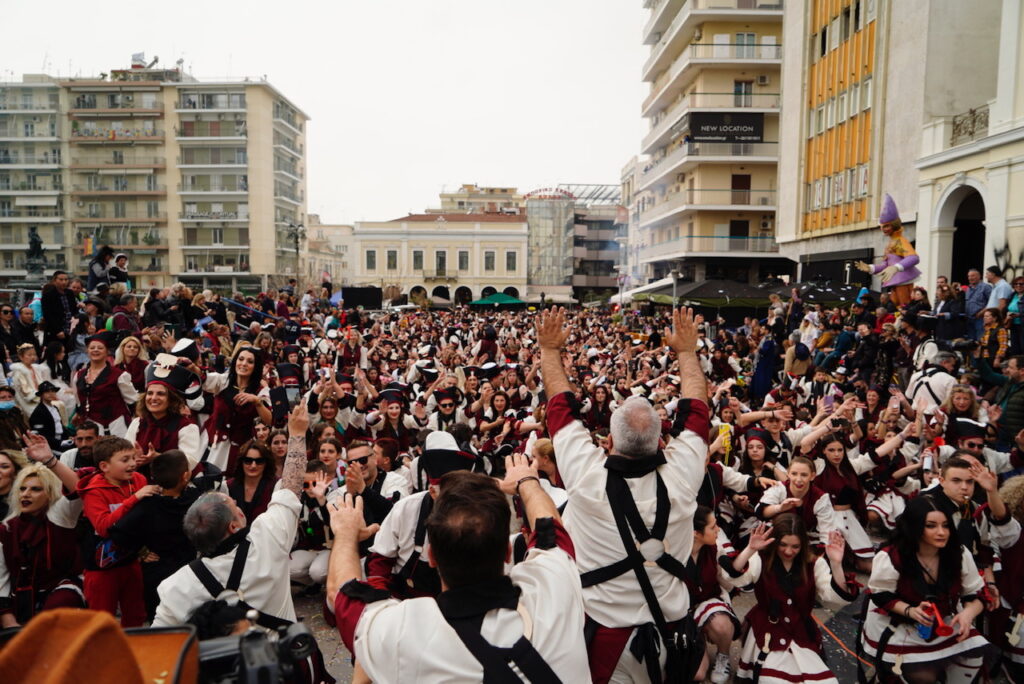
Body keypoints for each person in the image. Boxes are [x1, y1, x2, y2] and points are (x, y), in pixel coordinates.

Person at [542, 306, 709, 683]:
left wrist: (550, 350)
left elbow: (560, 408)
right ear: (661, 441)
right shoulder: (684, 475)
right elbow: (698, 410)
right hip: (671, 632)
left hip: (605, 639)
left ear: (610, 441)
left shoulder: (586, 476)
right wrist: (686, 351)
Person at [328, 455, 591, 682]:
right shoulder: (554, 587)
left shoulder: (401, 632)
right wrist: (526, 481)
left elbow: (340, 592)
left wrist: (346, 533)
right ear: (508, 552)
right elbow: (549, 528)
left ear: (432, 557)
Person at [151, 402, 311, 628]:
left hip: (220, 664)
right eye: (234, 506)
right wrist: (297, 434)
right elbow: (292, 488)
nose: (237, 504)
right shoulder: (267, 540)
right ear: (233, 527)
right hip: (280, 658)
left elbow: (160, 642)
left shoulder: (176, 587)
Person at [861, 496, 989, 683]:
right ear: (915, 526)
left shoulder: (959, 553)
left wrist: (968, 613)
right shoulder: (892, 556)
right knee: (924, 677)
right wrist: (911, 611)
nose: (941, 532)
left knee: (972, 660)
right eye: (931, 526)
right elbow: (880, 595)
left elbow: (976, 593)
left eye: (945, 525)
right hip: (900, 626)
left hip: (945, 623)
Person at [737, 515, 857, 682]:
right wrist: (750, 549)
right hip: (768, 630)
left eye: (795, 546)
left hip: (801, 630)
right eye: (783, 544)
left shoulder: (814, 564)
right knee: (774, 681)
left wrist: (836, 564)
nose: (788, 551)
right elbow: (735, 579)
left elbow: (834, 598)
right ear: (774, 541)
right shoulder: (760, 559)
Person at [75, 435, 160, 627]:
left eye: (132, 458)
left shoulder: (138, 479)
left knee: (136, 614)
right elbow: (104, 527)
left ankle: (134, 652)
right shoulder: (94, 491)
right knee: (101, 619)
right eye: (125, 460)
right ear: (104, 466)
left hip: (131, 560)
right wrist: (134, 499)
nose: (132, 464)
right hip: (101, 567)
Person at [108, 450, 200, 621]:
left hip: (156, 575)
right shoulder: (196, 500)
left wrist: (140, 551)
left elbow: (118, 533)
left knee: (160, 620)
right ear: (185, 476)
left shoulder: (147, 504)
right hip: (190, 571)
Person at [0, 439, 83, 627]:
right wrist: (8, 619)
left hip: (62, 590)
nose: (25, 494)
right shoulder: (6, 529)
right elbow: (1, 579)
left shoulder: (60, 517)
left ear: (50, 493)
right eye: (22, 488)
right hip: (20, 595)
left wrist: (50, 461)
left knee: (55, 610)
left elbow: (79, 490)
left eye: (36, 489)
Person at [73, 330, 138, 437]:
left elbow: (132, 401)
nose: (96, 350)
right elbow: (79, 401)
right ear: (87, 351)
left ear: (107, 351)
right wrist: (79, 414)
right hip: (90, 426)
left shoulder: (119, 375)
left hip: (116, 425)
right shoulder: (79, 375)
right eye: (92, 348)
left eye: (100, 348)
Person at [226, 440, 278, 523]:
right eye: (248, 461)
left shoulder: (275, 486)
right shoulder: (228, 486)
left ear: (266, 463)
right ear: (241, 462)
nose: (253, 465)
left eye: (259, 461)